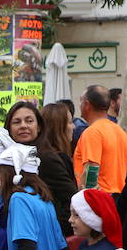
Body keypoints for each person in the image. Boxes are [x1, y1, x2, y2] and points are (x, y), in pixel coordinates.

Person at [5, 101, 77, 237]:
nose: (23, 126)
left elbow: (70, 201)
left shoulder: (47, 158)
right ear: (9, 128)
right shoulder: (6, 160)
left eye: (29, 121)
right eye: (16, 122)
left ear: (38, 127)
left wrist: (50, 231)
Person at [73, 85, 127, 193]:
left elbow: (92, 168)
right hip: (118, 198)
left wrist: (88, 193)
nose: (79, 105)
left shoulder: (92, 132)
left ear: (87, 104)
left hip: (100, 199)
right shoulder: (119, 131)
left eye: (80, 101)